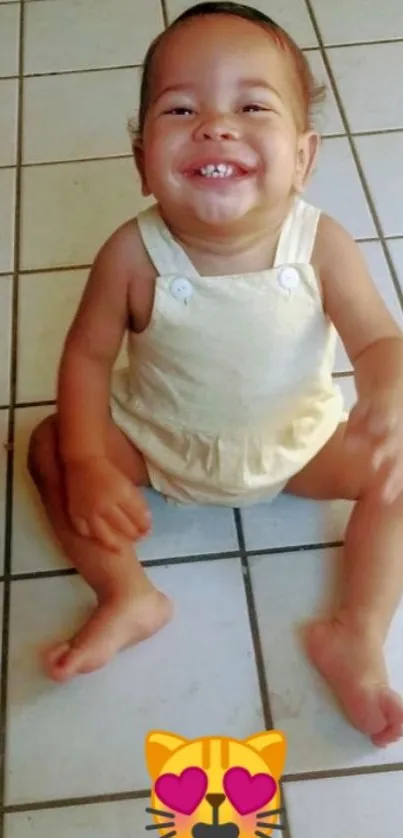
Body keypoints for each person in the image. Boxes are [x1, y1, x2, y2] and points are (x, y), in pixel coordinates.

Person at [28, 2, 403, 747]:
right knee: (47, 446)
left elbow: (376, 338)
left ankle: (355, 636)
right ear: (141, 158)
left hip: (297, 448)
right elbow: (86, 357)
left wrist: (390, 385)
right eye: (181, 108)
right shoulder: (131, 255)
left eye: (251, 105)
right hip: (160, 441)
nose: (216, 125)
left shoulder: (321, 243)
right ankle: (126, 591)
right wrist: (85, 460)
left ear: (303, 156)